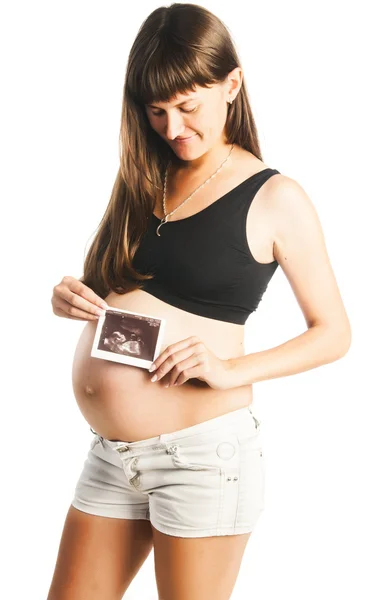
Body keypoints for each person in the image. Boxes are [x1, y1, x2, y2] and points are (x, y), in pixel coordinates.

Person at [47, 3, 351, 599]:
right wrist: (72, 298)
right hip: (114, 457)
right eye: (156, 111)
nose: (173, 128)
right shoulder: (146, 175)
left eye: (188, 107)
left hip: (201, 461)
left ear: (232, 84)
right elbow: (119, 295)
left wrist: (229, 368)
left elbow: (334, 332)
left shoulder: (275, 196)